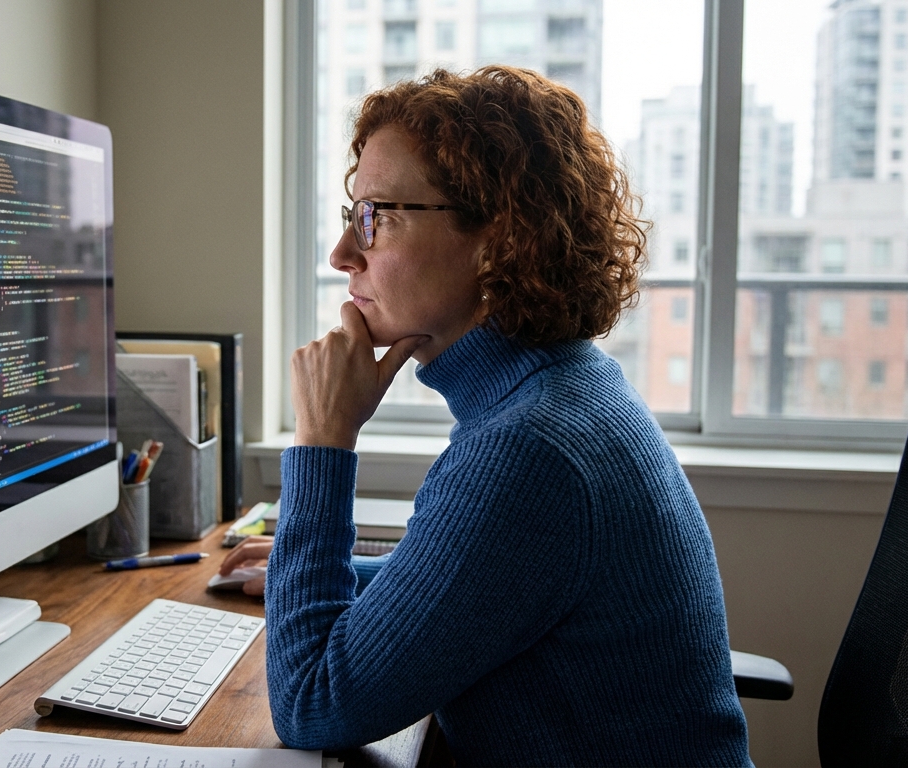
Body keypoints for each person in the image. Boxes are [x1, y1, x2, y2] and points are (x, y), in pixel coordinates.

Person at [219, 65, 751, 766]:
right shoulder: (564, 388)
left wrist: (324, 438)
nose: (344, 253)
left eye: (377, 216)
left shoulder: (530, 451)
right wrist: (330, 569)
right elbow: (490, 588)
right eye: (354, 217)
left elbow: (314, 706)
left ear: (500, 237)